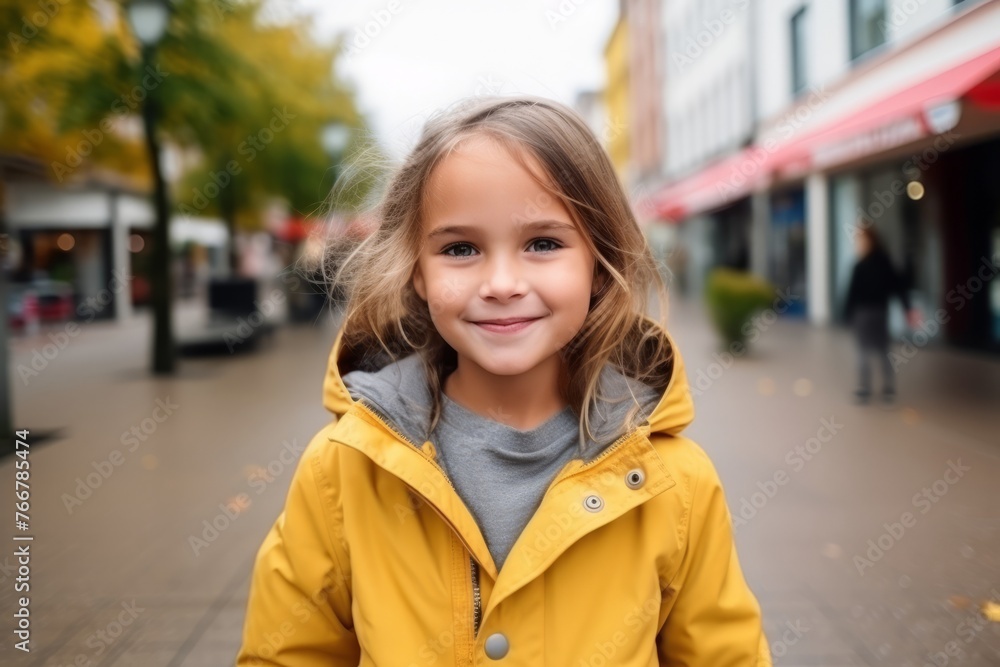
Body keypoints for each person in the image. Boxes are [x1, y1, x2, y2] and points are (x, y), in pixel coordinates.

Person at [236, 96, 771, 666]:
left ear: (598, 260)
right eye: (460, 249)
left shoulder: (675, 484)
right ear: (417, 271)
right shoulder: (343, 470)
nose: (502, 282)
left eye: (543, 243)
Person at [843, 225, 921, 404]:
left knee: (864, 351)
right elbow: (899, 287)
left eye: (861, 240)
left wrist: (847, 315)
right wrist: (907, 308)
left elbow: (852, 294)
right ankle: (888, 389)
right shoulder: (883, 262)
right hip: (879, 312)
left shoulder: (860, 266)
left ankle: (865, 389)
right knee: (882, 350)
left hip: (865, 313)